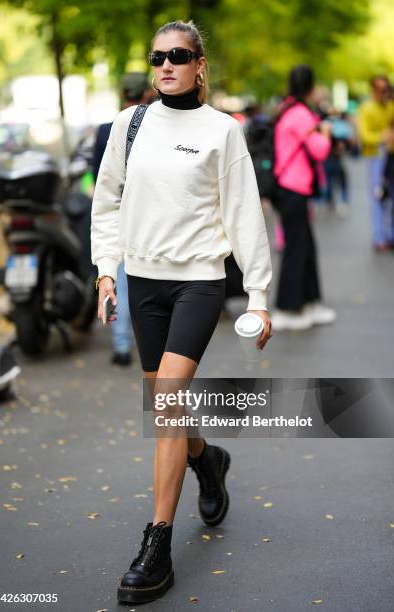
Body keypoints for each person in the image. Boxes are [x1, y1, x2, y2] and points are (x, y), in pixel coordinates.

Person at [91, 19, 272, 604]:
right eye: (157, 57)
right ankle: (208, 459)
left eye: (178, 55)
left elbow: (245, 215)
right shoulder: (131, 123)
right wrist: (104, 269)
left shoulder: (222, 130)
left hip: (198, 279)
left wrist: (261, 298)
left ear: (200, 65)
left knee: (167, 395)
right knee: (164, 402)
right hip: (143, 280)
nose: (165, 65)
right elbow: (107, 199)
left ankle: (158, 545)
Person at [92, 73, 152, 365]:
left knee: (114, 280)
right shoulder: (152, 126)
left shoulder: (105, 129)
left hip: (114, 215)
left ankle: (120, 344)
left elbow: (97, 179)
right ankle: (143, 341)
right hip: (142, 216)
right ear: (146, 95)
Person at [271, 65, 335, 331]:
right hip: (293, 189)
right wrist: (326, 134)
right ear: (310, 87)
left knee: (305, 247)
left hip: (290, 188)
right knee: (297, 250)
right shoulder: (300, 114)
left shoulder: (288, 109)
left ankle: (309, 302)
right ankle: (287, 309)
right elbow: (319, 151)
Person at [358, 75, 394, 252]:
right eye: (381, 89)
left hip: (391, 156)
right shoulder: (366, 108)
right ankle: (380, 237)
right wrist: (382, 136)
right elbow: (364, 136)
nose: (384, 93)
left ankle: (390, 235)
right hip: (375, 158)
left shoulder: (390, 106)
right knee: (378, 196)